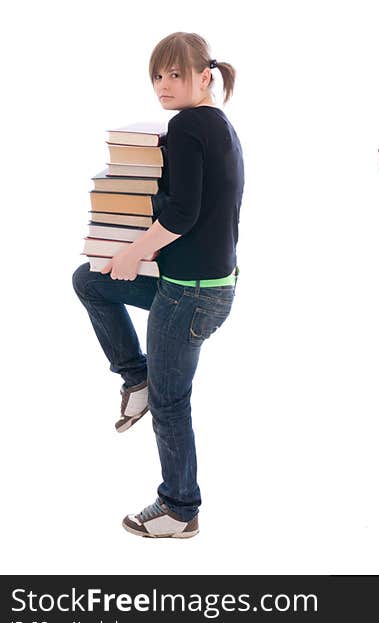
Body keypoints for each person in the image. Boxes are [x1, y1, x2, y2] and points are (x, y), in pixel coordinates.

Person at [72, 32, 244, 539]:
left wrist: (132, 253)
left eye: (175, 74)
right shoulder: (216, 124)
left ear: (204, 77)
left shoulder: (190, 124)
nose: (164, 85)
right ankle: (135, 377)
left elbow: (184, 213)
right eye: (158, 75)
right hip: (202, 286)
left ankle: (179, 508)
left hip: (190, 293)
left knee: (172, 403)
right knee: (89, 280)